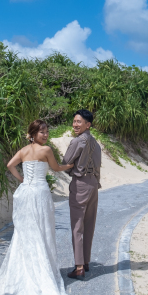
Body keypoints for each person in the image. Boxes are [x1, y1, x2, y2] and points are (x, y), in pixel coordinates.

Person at [0, 120, 74, 295]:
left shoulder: (23, 151)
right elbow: (56, 168)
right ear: (33, 133)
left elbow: (10, 165)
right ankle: (41, 272)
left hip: (25, 193)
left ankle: (25, 271)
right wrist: (69, 165)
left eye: (46, 131)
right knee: (42, 231)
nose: (45, 135)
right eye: (42, 132)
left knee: (25, 233)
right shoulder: (46, 151)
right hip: (40, 193)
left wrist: (22, 180)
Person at [61, 109, 102, 281]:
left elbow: (66, 162)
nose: (75, 124)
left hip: (81, 185)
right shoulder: (96, 143)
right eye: (74, 121)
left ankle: (78, 268)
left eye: (79, 122)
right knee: (89, 225)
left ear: (88, 124)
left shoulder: (78, 142)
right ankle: (85, 262)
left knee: (77, 226)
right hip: (94, 184)